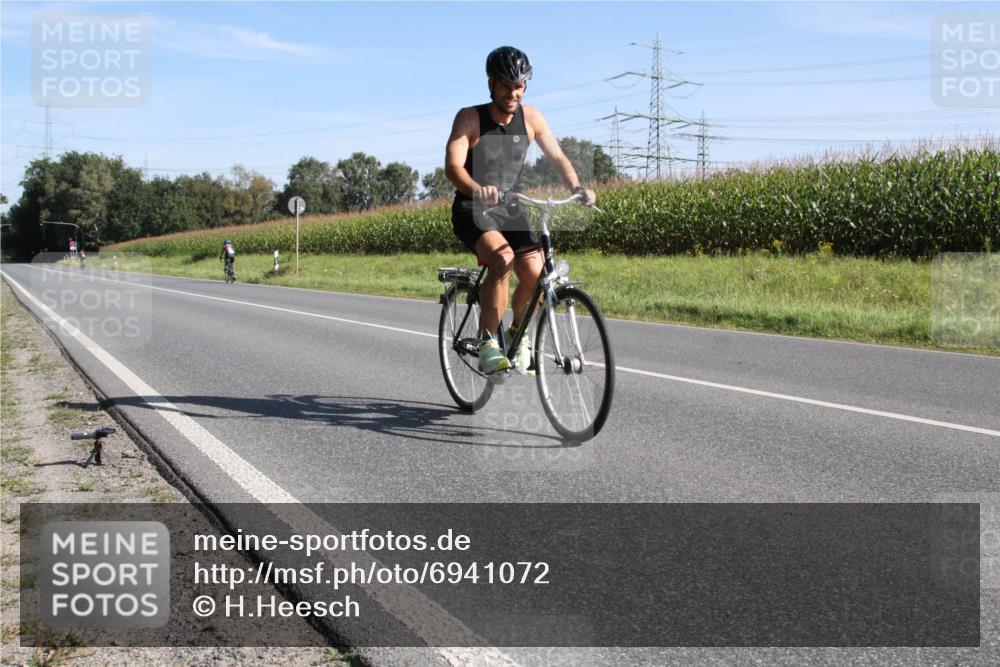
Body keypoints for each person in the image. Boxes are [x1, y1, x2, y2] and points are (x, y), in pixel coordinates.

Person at [445, 46, 596, 375]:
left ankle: (518, 334)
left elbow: (557, 157)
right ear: (490, 84)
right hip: (472, 206)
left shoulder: (532, 118)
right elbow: (452, 167)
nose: (513, 93)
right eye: (506, 85)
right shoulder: (470, 118)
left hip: (510, 205)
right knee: (502, 258)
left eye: (520, 86)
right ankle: (488, 343)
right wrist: (476, 189)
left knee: (536, 273)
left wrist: (576, 188)